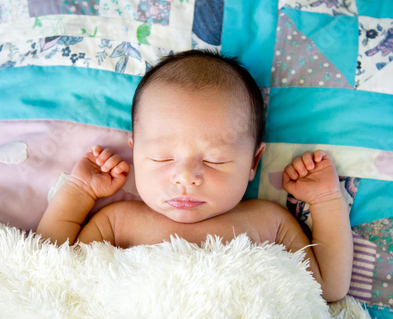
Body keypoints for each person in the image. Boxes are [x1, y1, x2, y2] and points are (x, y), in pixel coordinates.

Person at [37, 50, 353, 302]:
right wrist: (79, 191)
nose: (186, 177)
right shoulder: (118, 221)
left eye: (214, 160)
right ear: (135, 154)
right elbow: (52, 266)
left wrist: (325, 199)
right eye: (162, 157)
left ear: (253, 162)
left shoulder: (268, 220)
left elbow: (329, 286)